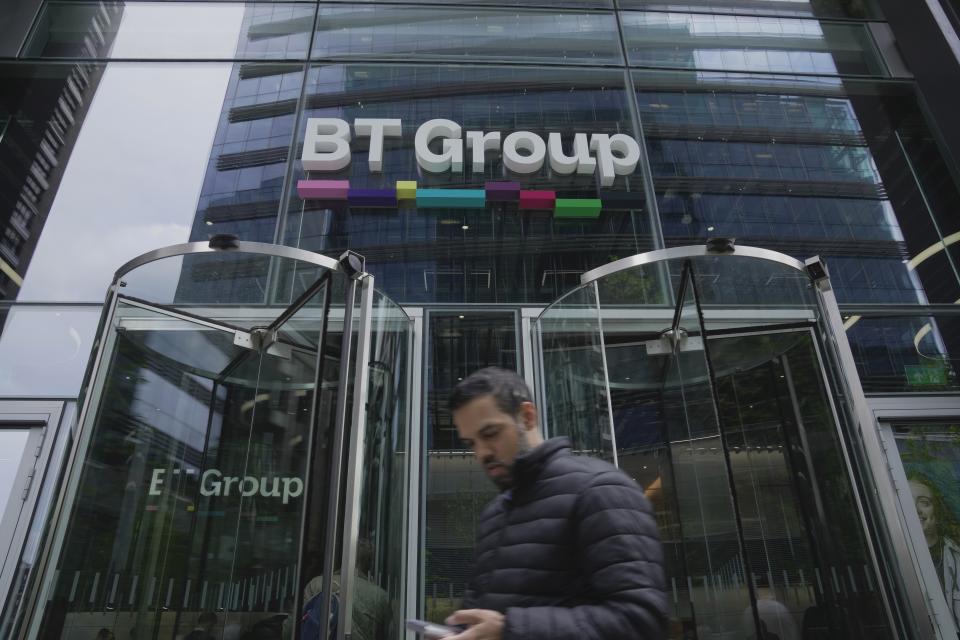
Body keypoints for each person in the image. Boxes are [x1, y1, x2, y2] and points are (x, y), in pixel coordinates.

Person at [445, 367, 667, 640]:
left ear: (527, 417)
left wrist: (510, 629)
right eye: (471, 442)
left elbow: (641, 621)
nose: (482, 453)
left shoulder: (600, 489)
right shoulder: (496, 512)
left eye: (490, 433)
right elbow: (484, 617)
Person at [908, 473, 960, 625]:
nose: (916, 510)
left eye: (924, 502)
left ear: (936, 511)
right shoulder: (893, 556)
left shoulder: (956, 554)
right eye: (908, 502)